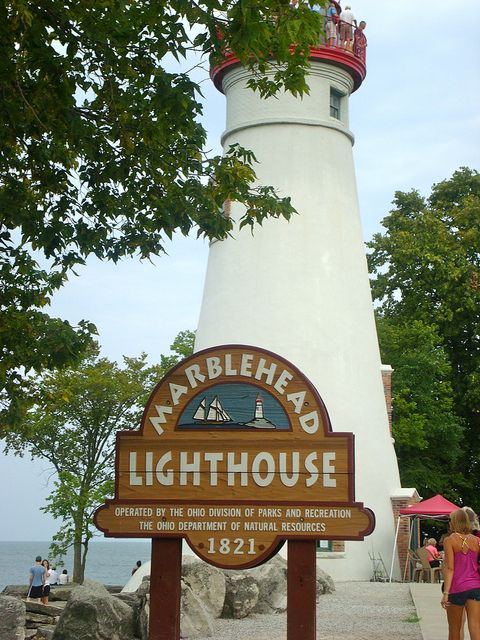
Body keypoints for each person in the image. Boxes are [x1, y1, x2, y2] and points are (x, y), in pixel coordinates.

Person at [441, 509, 480, 640]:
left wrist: (446, 593)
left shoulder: (449, 540)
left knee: (454, 629)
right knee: (475, 626)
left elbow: (450, 568)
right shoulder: (476, 540)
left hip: (457, 588)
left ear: (454, 522)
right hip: (475, 587)